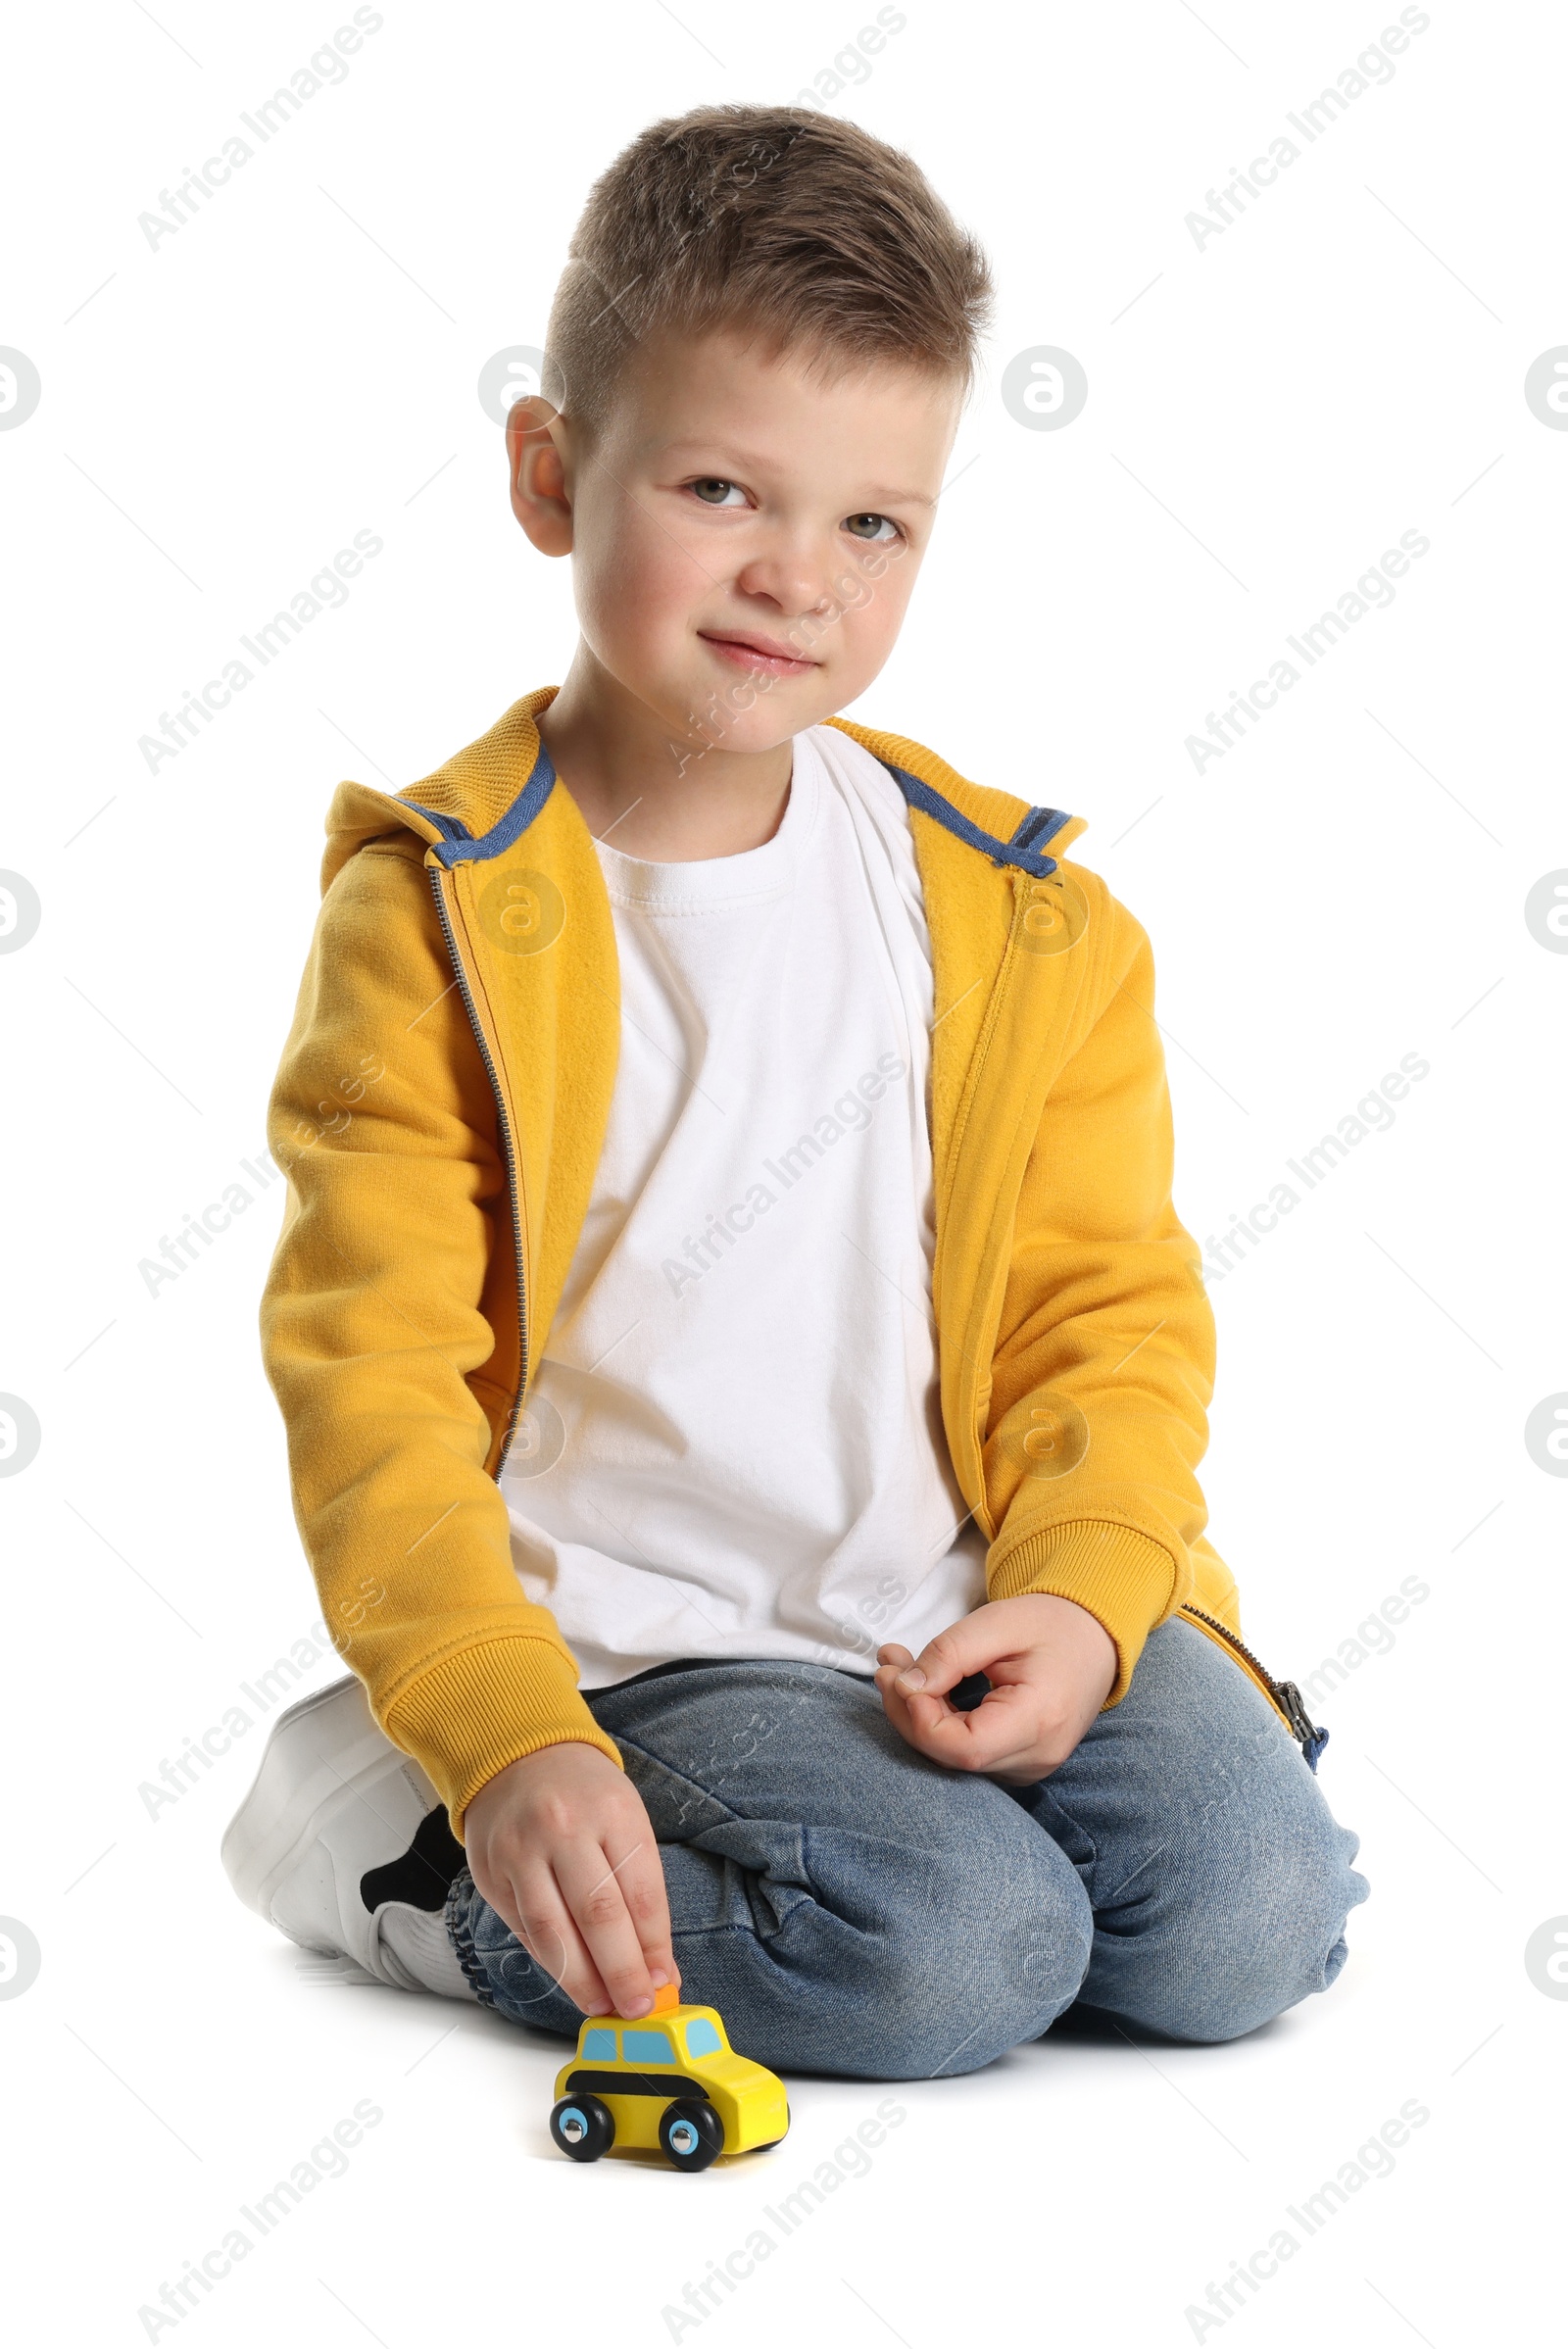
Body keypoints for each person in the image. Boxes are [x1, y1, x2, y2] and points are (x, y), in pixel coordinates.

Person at [221, 104, 1366, 2080]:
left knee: (1247, 1916)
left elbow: (1105, 1313)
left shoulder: (1014, 917)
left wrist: (1090, 1605)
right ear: (551, 474)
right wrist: (507, 1723)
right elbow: (373, 1378)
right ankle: (399, 1824)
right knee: (950, 1952)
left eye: (869, 522)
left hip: (945, 1600)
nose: (793, 578)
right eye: (721, 488)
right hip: (639, 1644)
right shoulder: (434, 918)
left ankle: (896, 1814)